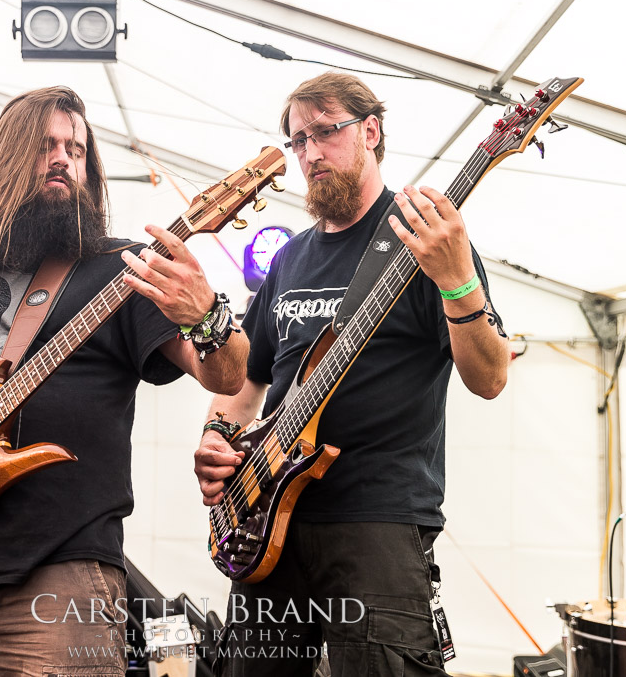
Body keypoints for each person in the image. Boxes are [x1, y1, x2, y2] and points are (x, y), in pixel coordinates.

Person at [0, 86, 248, 675]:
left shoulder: (123, 269)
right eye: (45, 145)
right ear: (4, 159)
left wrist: (205, 313)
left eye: (76, 150)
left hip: (56, 571)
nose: (63, 159)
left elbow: (227, 373)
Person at [194, 72, 510, 676]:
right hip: (268, 519)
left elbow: (490, 378)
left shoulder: (426, 242)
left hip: (378, 520)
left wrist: (456, 280)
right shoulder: (290, 257)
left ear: (371, 131)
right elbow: (245, 380)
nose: (310, 153)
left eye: (325, 132)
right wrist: (216, 437)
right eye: (298, 140)